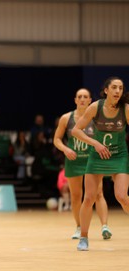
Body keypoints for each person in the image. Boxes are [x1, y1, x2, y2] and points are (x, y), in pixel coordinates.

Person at [72, 77, 129, 251]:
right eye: (114, 87)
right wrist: (95, 143)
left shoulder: (125, 109)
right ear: (106, 90)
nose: (117, 91)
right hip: (97, 156)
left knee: (121, 196)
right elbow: (75, 131)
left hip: (118, 156)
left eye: (120, 88)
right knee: (89, 198)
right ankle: (84, 237)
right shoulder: (95, 107)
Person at [53, 88, 111, 239]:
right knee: (76, 195)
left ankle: (104, 226)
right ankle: (79, 227)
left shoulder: (97, 118)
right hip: (74, 160)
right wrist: (65, 149)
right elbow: (56, 139)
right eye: (80, 96)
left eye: (86, 96)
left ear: (90, 100)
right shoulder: (66, 118)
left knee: (98, 193)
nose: (83, 99)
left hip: (92, 160)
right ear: (75, 100)